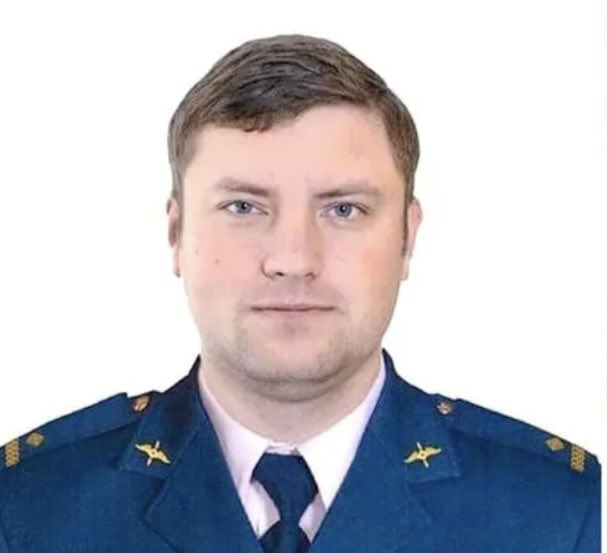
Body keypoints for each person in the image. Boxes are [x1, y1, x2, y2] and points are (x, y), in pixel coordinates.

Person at [0, 33, 600, 553]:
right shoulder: (28, 508)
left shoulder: (557, 512)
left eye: (344, 209)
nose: (293, 260)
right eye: (243, 207)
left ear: (407, 237)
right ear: (177, 234)